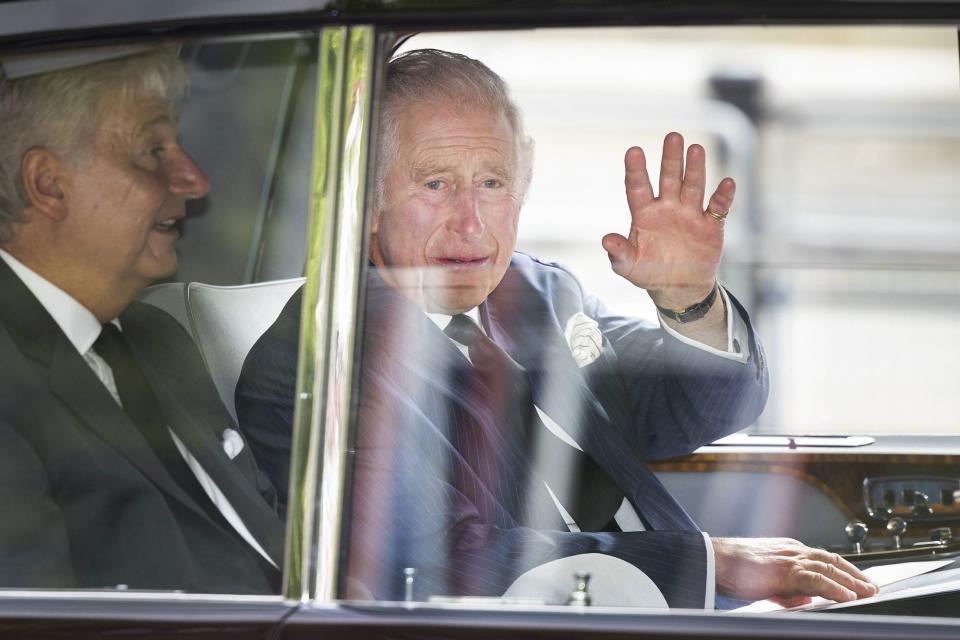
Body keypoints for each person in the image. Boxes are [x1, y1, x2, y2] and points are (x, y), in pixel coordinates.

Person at [236, 49, 877, 608]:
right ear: (366, 199)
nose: (471, 224)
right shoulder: (313, 363)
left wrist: (688, 300)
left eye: (492, 183)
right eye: (436, 184)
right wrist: (710, 565)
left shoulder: (538, 291)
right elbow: (437, 562)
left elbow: (692, 410)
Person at [0, 49, 284, 592]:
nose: (195, 180)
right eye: (153, 152)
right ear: (49, 184)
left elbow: (271, 546)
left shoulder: (159, 340)